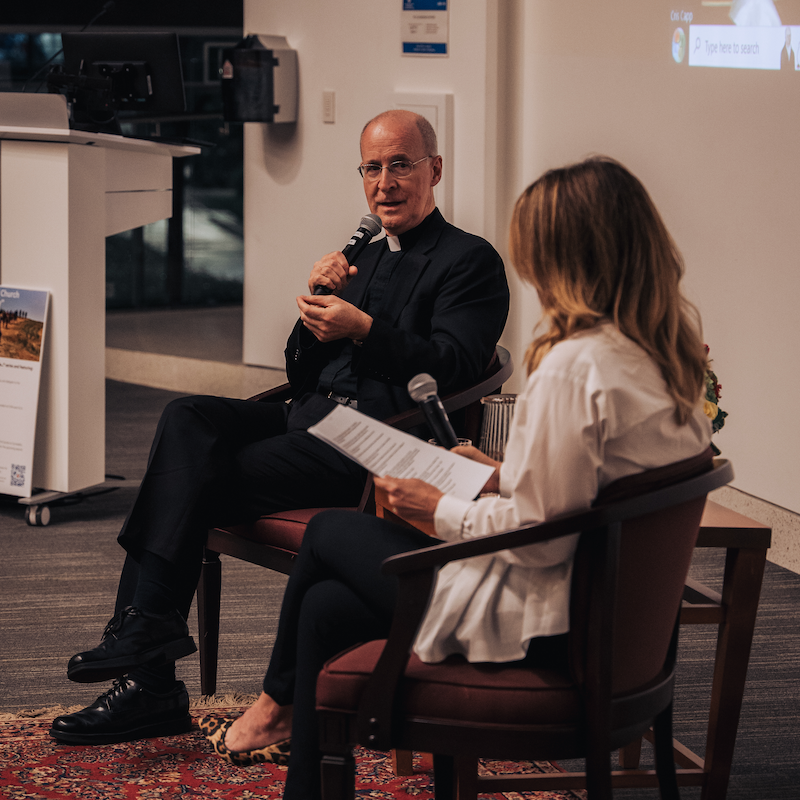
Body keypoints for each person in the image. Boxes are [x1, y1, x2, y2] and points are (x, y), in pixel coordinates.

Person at [199, 156, 713, 800]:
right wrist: (502, 473)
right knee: (326, 609)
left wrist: (435, 509)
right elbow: (592, 491)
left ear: (564, 258)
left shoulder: (574, 366)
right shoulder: (665, 356)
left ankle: (277, 715)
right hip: (603, 617)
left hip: (543, 619)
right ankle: (295, 751)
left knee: (331, 532)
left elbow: (541, 538)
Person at [49, 109, 509, 746]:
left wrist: (365, 331)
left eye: (400, 165)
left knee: (190, 476)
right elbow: (300, 372)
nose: (384, 183)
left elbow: (454, 365)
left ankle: (148, 674)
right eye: (371, 168)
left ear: (434, 170)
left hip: (373, 442)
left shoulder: (470, 260)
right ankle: (147, 640)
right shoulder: (361, 254)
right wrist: (312, 314)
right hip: (308, 416)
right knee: (187, 418)